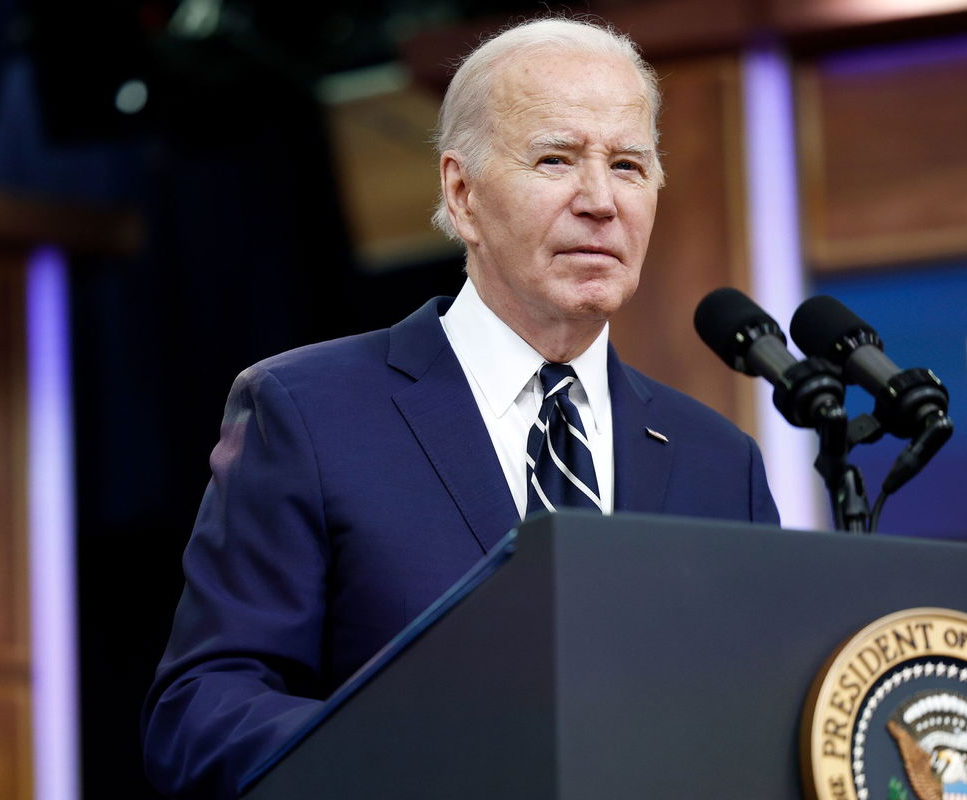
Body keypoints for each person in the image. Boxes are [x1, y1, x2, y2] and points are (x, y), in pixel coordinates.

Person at [142, 17, 779, 799]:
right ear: (462, 192)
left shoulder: (720, 464)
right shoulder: (309, 414)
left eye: (628, 164)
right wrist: (417, 761)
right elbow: (202, 712)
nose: (601, 201)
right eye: (556, 159)